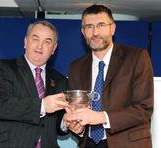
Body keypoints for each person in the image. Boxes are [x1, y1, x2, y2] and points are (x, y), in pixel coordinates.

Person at [65, 4, 154, 148]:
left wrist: (100, 117)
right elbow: (78, 111)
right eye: (89, 27)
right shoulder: (76, 67)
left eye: (101, 25)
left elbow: (144, 109)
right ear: (83, 32)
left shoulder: (137, 57)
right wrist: (79, 128)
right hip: (89, 144)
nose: (95, 33)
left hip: (128, 144)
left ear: (112, 28)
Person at [0, 20, 69, 148]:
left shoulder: (61, 80)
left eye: (47, 41)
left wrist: (66, 122)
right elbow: (0, 105)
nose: (40, 46)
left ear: (53, 49)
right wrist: (42, 106)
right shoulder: (3, 68)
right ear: (25, 42)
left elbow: (55, 125)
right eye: (35, 39)